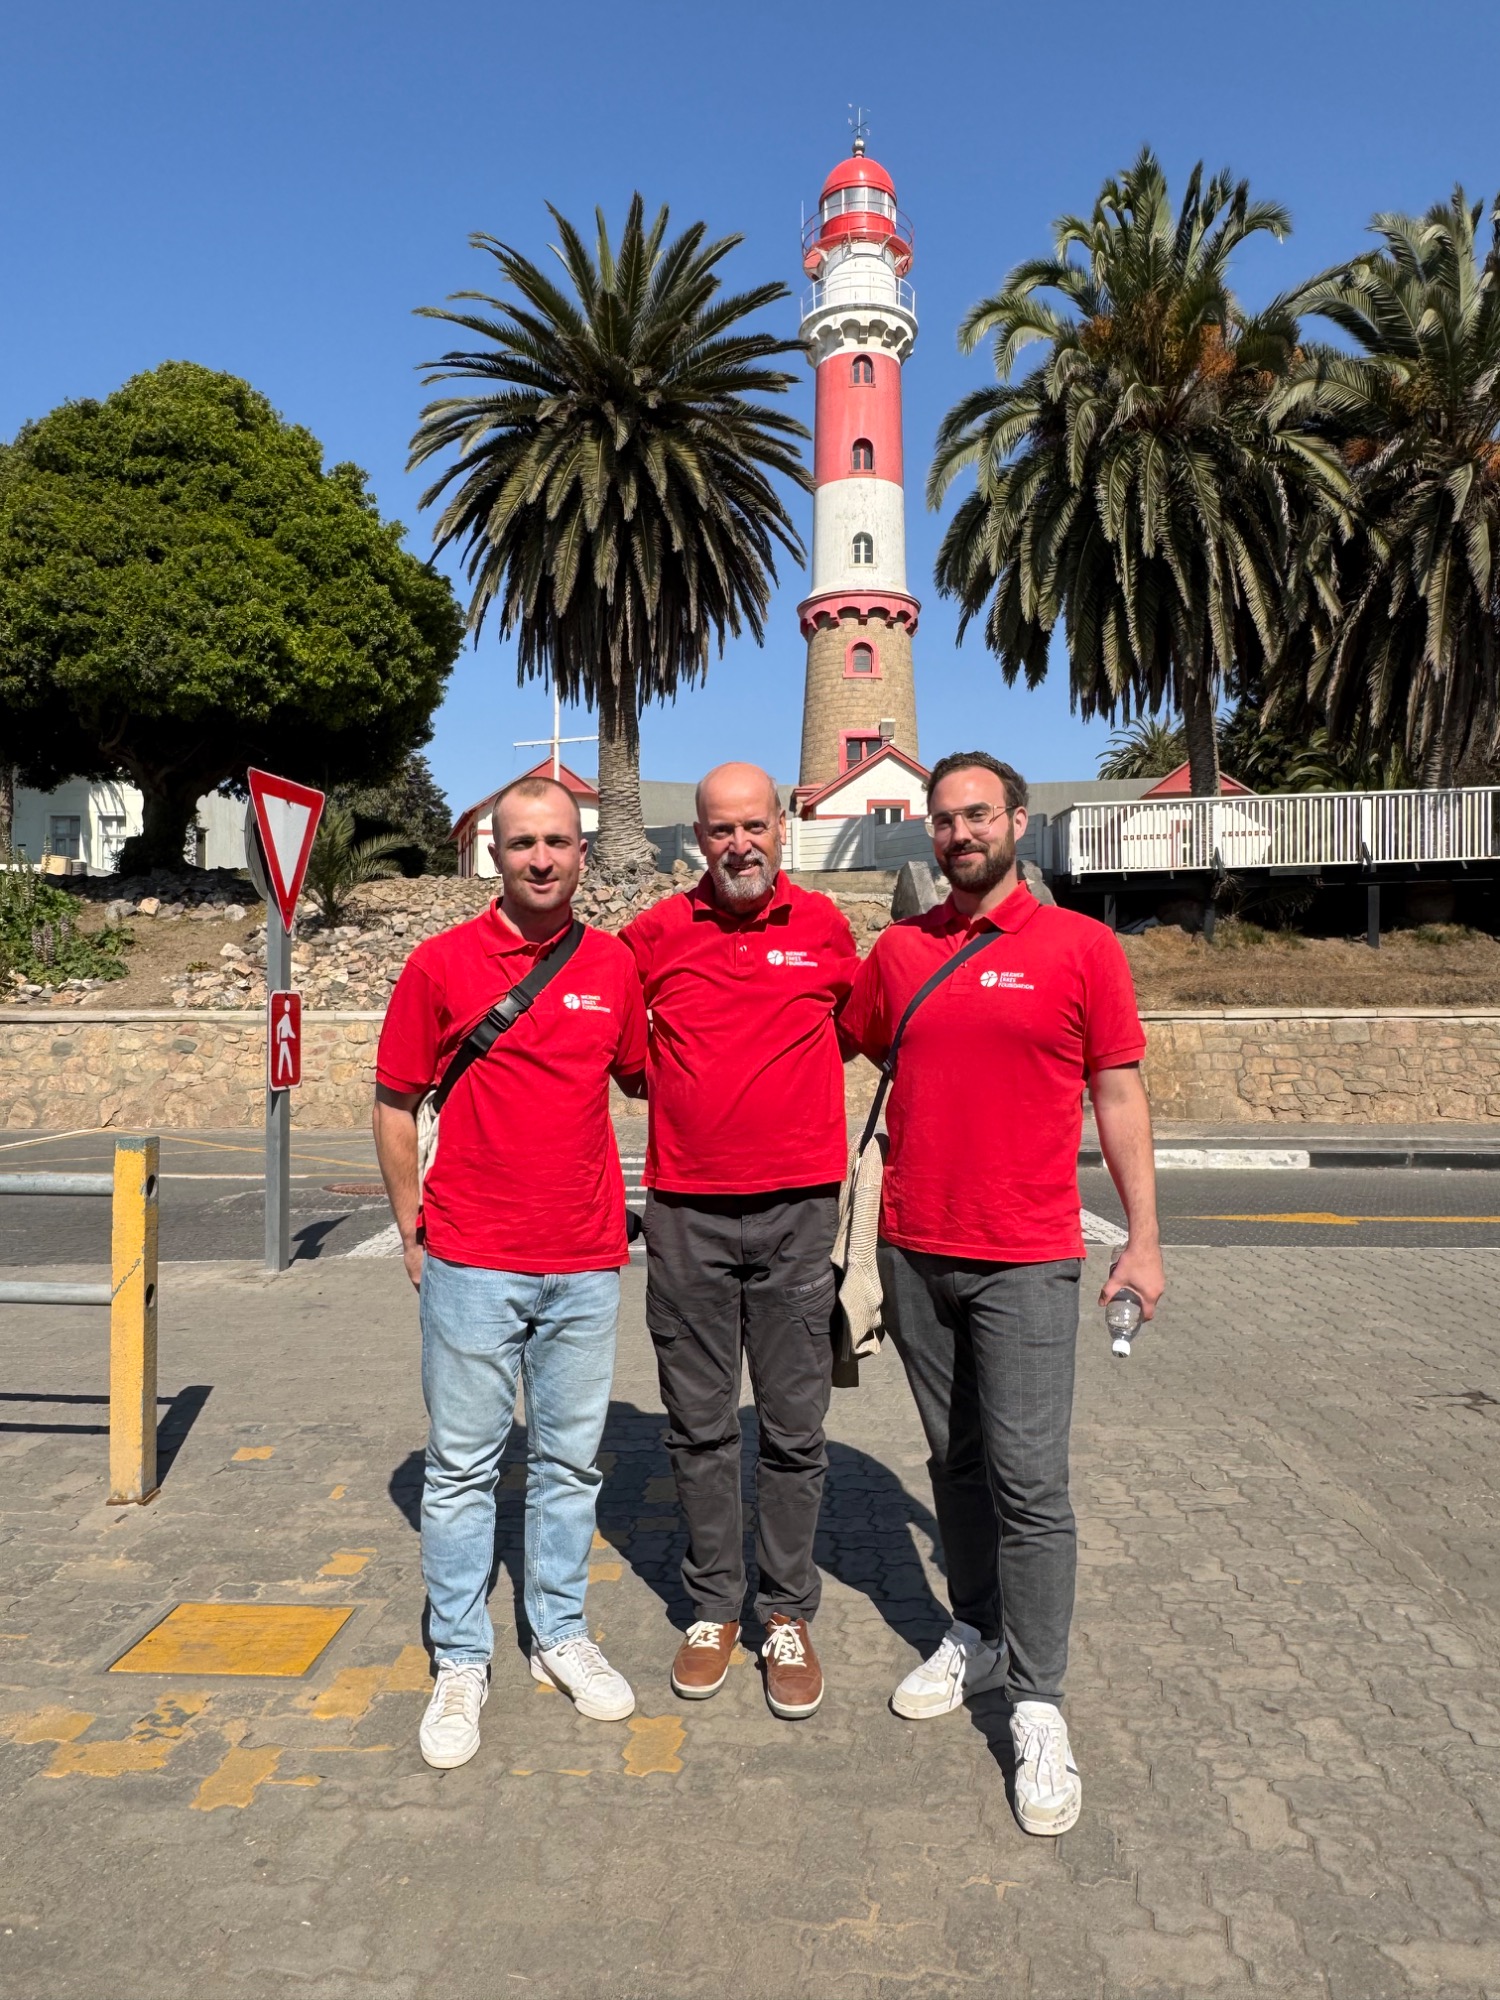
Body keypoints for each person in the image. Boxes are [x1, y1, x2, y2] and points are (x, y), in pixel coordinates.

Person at [840, 750, 1164, 1835]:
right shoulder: (900, 952)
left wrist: (1144, 1239)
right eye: (944, 819)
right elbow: (843, 1038)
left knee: (1032, 1486)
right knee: (956, 1464)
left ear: (1018, 821)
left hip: (1027, 1256)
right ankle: (975, 1631)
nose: (960, 833)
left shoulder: (1082, 948)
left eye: (979, 814)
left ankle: (1037, 1702)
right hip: (914, 1250)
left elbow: (1119, 1092)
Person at [373, 776, 648, 1770]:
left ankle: (559, 1631)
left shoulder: (613, 966)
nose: (541, 858)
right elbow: (394, 1100)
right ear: (495, 852)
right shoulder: (440, 964)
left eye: (557, 842)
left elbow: (652, 1076)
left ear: (582, 854)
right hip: (472, 1260)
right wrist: (412, 1228)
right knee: (460, 1470)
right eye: (523, 842)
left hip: (585, 1260)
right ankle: (459, 1656)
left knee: (570, 1465)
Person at [620, 763, 859, 1719]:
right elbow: (627, 1060)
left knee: (795, 1430)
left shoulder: (827, 929)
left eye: (754, 825)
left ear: (781, 827)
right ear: (697, 838)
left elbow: (852, 1033)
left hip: (799, 1215)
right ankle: (715, 1607)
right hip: (687, 1215)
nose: (739, 844)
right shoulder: (654, 936)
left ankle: (787, 1612)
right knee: (699, 1426)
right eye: (721, 830)